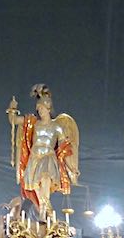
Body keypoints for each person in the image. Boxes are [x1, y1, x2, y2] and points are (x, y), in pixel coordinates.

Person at [6, 84, 79, 223]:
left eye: (42, 109)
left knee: (45, 179)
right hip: (35, 158)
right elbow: (14, 121)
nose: (40, 111)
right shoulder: (32, 123)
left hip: (48, 157)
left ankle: (44, 214)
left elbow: (65, 149)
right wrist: (12, 108)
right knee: (35, 186)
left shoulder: (57, 126)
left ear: (48, 108)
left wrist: (72, 168)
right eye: (38, 109)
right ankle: (45, 212)